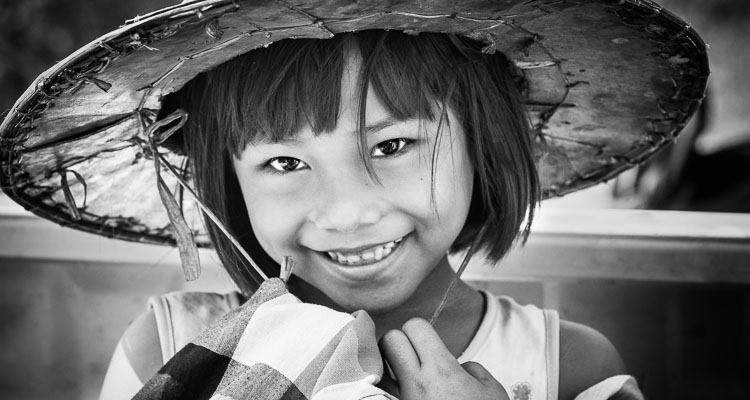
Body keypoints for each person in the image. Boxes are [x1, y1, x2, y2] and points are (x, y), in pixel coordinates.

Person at [0, 1, 707, 399]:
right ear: (227, 181)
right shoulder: (174, 354)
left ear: (484, 140)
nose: (347, 210)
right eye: (283, 162)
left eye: (393, 146)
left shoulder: (570, 368)